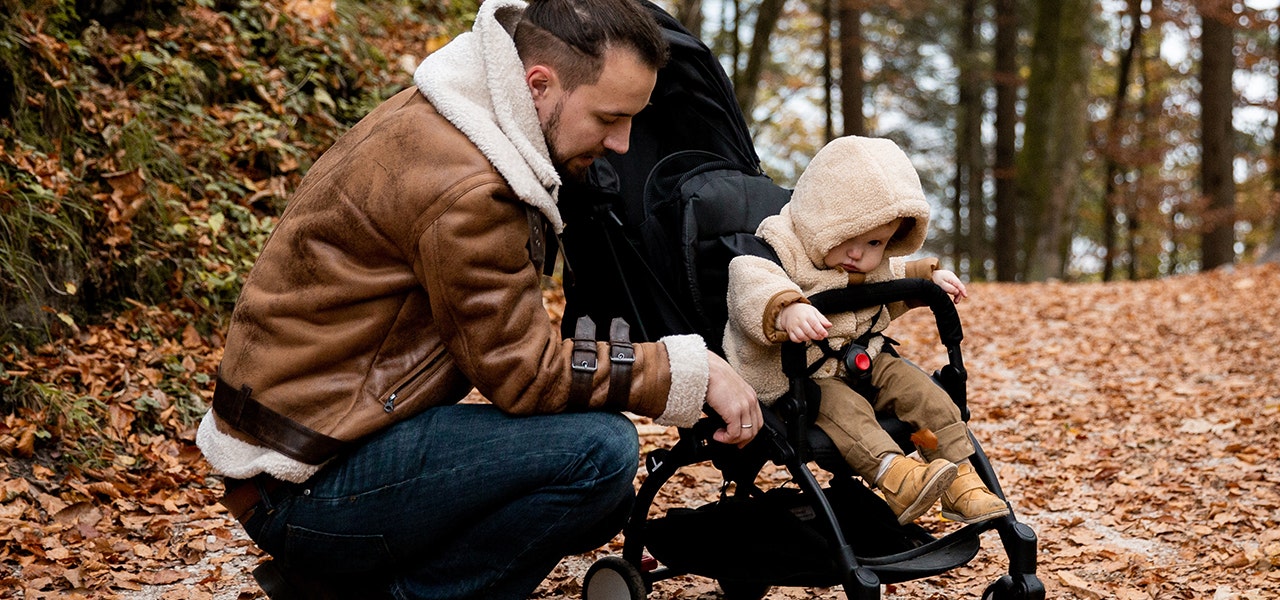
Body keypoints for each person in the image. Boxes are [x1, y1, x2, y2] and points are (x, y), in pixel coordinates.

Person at [195, 0, 762, 598]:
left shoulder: (455, 114)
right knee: (600, 453)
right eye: (609, 118)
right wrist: (692, 372)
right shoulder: (472, 186)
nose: (622, 144)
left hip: (303, 450)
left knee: (603, 497)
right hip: (305, 484)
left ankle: (343, 577)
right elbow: (524, 374)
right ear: (538, 85)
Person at [722, 135, 1009, 526]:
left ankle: (960, 477)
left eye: (875, 242)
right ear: (820, 220)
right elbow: (750, 283)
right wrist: (785, 308)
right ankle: (896, 477)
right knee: (847, 409)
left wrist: (928, 278)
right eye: (848, 239)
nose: (860, 254)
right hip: (805, 378)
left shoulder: (867, 262)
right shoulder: (778, 246)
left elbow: (890, 277)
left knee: (924, 391)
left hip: (865, 358)